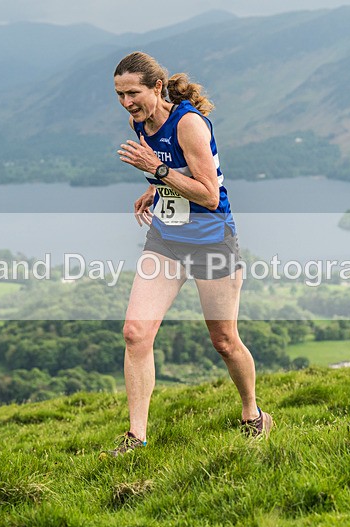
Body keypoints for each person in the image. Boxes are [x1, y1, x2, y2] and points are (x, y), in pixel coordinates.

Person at [104, 51, 272, 457]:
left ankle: (253, 414)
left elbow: (210, 195)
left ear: (157, 87)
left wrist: (158, 173)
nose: (127, 103)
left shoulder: (189, 125)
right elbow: (171, 172)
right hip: (167, 239)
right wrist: (154, 189)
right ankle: (136, 438)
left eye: (134, 93)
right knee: (135, 333)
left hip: (212, 240)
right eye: (120, 94)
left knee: (224, 340)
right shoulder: (139, 123)